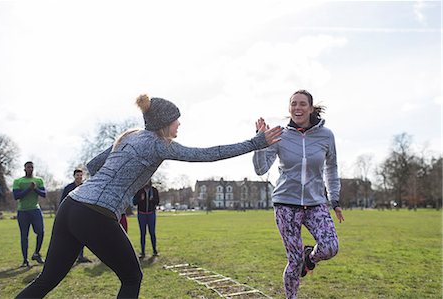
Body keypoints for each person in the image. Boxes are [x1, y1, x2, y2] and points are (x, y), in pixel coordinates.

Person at [16, 94, 282, 299]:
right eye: (177, 119)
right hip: (95, 213)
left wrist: (122, 179)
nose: (180, 123)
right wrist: (256, 142)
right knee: (132, 277)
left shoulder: (129, 136)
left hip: (71, 205)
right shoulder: (158, 145)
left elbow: (94, 165)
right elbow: (209, 154)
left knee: (47, 280)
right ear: (164, 123)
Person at [252, 89, 344, 299]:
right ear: (289, 108)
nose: (297, 108)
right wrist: (259, 142)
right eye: (293, 104)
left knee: (330, 247)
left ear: (311, 109)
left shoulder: (326, 135)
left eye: (302, 104)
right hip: (285, 204)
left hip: (315, 203)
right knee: (293, 261)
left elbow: (332, 168)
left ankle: (309, 259)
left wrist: (335, 198)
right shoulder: (280, 136)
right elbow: (260, 169)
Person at [12, 161, 47, 267]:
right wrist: (29, 189)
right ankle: (25, 260)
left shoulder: (38, 180)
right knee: (24, 236)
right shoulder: (18, 181)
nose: (30, 169)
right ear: (24, 169)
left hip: (35, 210)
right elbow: (17, 196)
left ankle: (36, 253)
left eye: (32, 167)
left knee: (41, 232)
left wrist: (35, 188)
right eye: (28, 167)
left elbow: (44, 194)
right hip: (23, 211)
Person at [60, 169, 91, 263]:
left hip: (83, 215)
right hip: (70, 215)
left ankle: (80, 256)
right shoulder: (68, 188)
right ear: (74, 176)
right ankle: (67, 256)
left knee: (82, 236)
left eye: (81, 175)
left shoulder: (86, 187)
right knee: (70, 236)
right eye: (77, 175)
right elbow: (62, 202)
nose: (79, 177)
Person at [133, 180, 160, 258]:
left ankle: (154, 251)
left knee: (152, 233)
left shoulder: (154, 190)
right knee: (142, 233)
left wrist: (152, 200)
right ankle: (142, 252)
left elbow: (157, 202)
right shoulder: (139, 190)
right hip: (142, 214)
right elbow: (134, 202)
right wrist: (140, 199)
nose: (146, 182)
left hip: (151, 214)